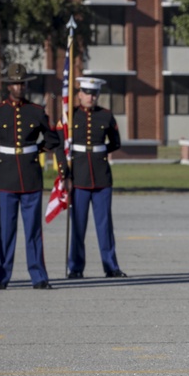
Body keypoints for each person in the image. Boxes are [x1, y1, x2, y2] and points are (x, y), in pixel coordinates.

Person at [0, 63, 67, 290]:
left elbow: (52, 139)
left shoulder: (37, 111)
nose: (19, 87)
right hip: (6, 178)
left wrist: (35, 149)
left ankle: (39, 276)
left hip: (30, 178)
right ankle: (0, 276)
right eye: (15, 84)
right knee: (6, 231)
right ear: (8, 86)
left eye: (22, 83)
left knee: (33, 231)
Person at [67, 77, 125, 279]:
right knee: (78, 226)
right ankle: (75, 268)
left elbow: (115, 143)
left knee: (104, 225)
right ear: (79, 94)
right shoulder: (70, 115)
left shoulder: (106, 116)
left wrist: (99, 152)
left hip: (101, 177)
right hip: (79, 177)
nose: (91, 97)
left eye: (94, 93)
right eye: (87, 93)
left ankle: (111, 266)